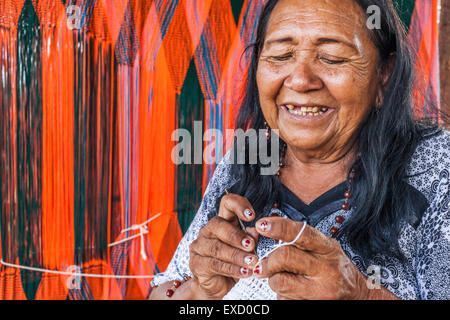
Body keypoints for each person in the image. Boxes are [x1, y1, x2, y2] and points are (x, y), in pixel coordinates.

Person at [149, 0, 450, 300]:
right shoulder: (246, 160)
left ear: (384, 73)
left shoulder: (437, 168)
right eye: (281, 55)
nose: (300, 80)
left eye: (332, 58)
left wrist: (362, 295)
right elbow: (165, 292)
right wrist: (201, 291)